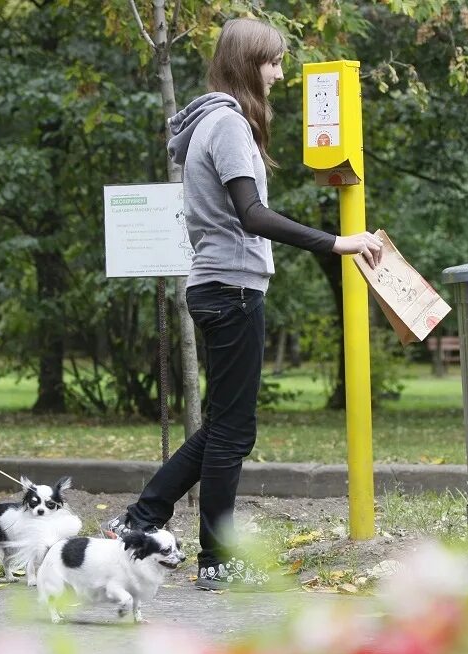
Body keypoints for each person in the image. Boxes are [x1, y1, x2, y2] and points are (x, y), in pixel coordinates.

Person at [101, 18, 383, 590]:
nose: (280, 73)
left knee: (226, 427)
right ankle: (215, 558)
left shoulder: (214, 122)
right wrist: (339, 242)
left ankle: (141, 519)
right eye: (273, 62)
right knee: (232, 432)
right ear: (247, 61)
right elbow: (251, 214)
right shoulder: (227, 124)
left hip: (222, 286)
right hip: (229, 289)